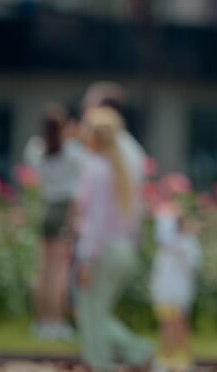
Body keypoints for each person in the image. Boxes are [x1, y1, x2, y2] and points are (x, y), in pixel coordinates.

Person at [73, 106, 153, 371]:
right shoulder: (119, 168)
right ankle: (131, 353)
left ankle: (112, 359)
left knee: (89, 313)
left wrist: (86, 259)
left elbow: (94, 222)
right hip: (124, 249)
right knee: (98, 312)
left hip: (102, 250)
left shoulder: (96, 168)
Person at [26, 104, 83, 341]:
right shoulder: (71, 151)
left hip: (45, 207)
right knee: (59, 271)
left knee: (43, 269)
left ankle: (41, 321)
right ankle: (56, 321)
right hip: (63, 208)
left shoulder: (35, 148)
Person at [150, 204, 202, 372]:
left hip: (180, 294)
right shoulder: (164, 253)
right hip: (165, 294)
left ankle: (183, 359)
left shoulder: (188, 244)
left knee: (179, 324)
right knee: (167, 324)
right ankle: (166, 358)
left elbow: (194, 264)